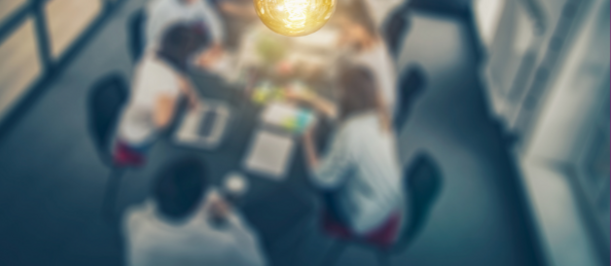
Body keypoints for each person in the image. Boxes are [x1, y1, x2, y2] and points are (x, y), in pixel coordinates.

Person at [295, 65, 404, 247]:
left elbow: (320, 178)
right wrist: (311, 99)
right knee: (330, 146)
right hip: (389, 201)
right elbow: (340, 115)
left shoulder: (352, 132)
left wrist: (307, 138)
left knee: (302, 175)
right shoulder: (379, 115)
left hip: (364, 215)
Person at [123, 157, 267, 266]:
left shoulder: (132, 219)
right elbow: (257, 260)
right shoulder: (221, 246)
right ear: (197, 204)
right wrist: (230, 218)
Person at [113, 25, 202, 165]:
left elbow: (180, 76)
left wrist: (192, 97)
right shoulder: (167, 85)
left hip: (129, 118)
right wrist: (176, 100)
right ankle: (133, 156)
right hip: (137, 138)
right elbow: (162, 124)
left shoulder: (154, 51)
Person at [146, 0, 225, 66]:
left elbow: (210, 16)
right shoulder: (161, 9)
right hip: (165, 60)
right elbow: (154, 50)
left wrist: (216, 42)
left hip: (185, 48)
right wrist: (193, 62)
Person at [334, 0, 397, 114]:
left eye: (346, 28)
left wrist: (339, 49)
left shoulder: (364, 63)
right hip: (379, 107)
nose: (343, 32)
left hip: (373, 113)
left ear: (361, 27)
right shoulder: (376, 41)